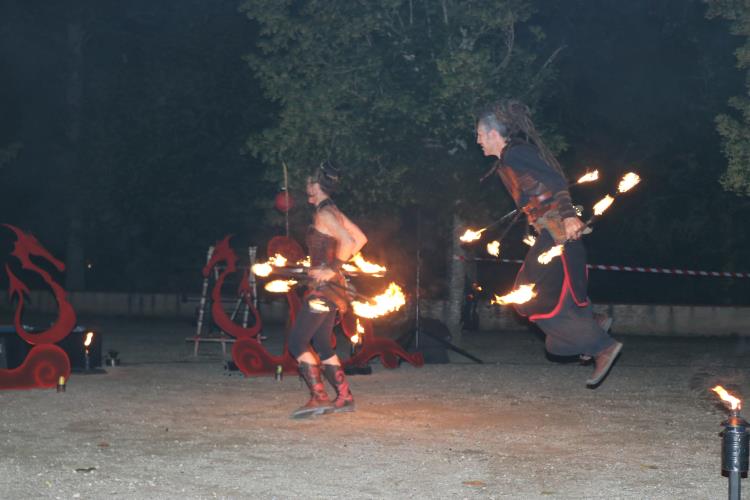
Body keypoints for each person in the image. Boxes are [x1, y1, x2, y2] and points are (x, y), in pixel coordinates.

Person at [475, 100, 622, 387]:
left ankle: (601, 345)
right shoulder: (508, 161)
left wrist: (568, 216)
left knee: (527, 299)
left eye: (480, 134)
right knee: (554, 344)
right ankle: (592, 321)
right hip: (550, 234)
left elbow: (555, 181)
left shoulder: (516, 154)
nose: (477, 140)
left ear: (493, 134)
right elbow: (537, 196)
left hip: (559, 233)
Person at [287, 160, 368, 418]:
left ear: (315, 185)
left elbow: (347, 241)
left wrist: (331, 267)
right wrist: (327, 267)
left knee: (298, 341)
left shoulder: (325, 214)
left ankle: (319, 397)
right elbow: (360, 239)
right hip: (333, 289)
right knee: (322, 342)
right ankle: (345, 397)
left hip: (324, 289)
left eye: (308, 183)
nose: (305, 187)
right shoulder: (334, 211)